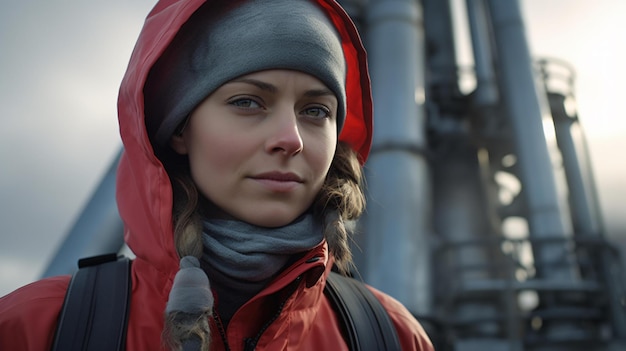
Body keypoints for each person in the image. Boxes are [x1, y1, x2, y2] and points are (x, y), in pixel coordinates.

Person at [0, 0, 434, 350]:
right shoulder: (38, 327)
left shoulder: (391, 336)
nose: (291, 139)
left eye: (316, 110)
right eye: (248, 102)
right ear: (180, 128)